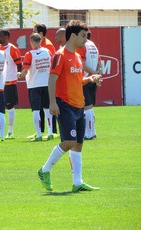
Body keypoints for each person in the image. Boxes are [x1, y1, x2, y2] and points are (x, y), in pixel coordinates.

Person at [38, 20, 101, 192]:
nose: (85, 39)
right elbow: (52, 78)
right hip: (64, 104)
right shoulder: (60, 55)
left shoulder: (78, 57)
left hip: (78, 105)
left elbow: (76, 80)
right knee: (69, 141)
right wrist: (52, 102)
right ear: (73, 35)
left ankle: (77, 182)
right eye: (82, 36)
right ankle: (44, 170)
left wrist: (89, 79)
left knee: (78, 144)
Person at [0, 29, 22, 139]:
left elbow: (19, 65)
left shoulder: (13, 49)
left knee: (9, 107)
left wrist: (17, 74)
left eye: (0, 36)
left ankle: (10, 131)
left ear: (7, 36)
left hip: (9, 82)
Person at [17, 33, 53, 142]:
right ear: (40, 41)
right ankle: (50, 132)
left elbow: (25, 71)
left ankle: (38, 134)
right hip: (46, 84)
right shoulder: (48, 52)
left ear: (31, 42)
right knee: (47, 109)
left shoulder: (30, 54)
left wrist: (19, 75)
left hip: (34, 85)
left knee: (36, 110)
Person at [30, 24, 58, 140]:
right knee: (43, 107)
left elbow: (52, 62)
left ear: (40, 34)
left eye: (34, 31)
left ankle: (53, 131)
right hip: (42, 80)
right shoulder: (43, 46)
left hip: (44, 81)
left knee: (47, 106)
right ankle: (41, 131)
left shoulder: (48, 46)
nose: (32, 33)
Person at [76, 31, 102, 140]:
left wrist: (92, 73)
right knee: (90, 107)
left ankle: (89, 133)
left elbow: (82, 64)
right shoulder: (93, 46)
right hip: (93, 79)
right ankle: (93, 132)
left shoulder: (83, 46)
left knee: (87, 108)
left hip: (86, 79)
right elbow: (100, 62)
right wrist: (97, 74)